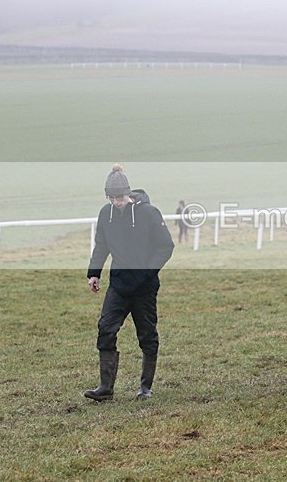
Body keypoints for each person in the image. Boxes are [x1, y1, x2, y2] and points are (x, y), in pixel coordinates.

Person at [84, 164, 175, 401]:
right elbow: (101, 244)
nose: (116, 202)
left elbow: (166, 246)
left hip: (144, 287)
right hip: (119, 286)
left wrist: (146, 272)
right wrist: (94, 273)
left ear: (129, 193)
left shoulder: (148, 213)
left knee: (147, 335)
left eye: (120, 197)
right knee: (105, 329)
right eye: (111, 198)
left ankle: (145, 388)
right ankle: (105, 389)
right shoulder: (106, 213)